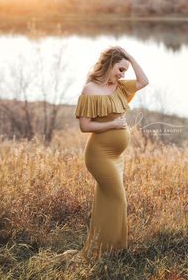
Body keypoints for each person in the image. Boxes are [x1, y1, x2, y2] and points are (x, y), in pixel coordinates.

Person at [60, 46, 149, 268]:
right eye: (120, 69)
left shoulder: (119, 87)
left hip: (116, 157)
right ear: (109, 64)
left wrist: (130, 58)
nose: (123, 74)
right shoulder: (90, 90)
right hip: (99, 156)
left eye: (125, 70)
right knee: (119, 198)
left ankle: (106, 248)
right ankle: (111, 249)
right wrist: (113, 124)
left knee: (106, 201)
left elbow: (144, 81)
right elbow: (85, 126)